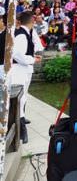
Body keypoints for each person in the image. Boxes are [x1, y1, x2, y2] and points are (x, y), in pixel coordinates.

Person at [10, 11, 40, 144]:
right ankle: (21, 131)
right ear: (32, 21)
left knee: (23, 97)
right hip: (19, 70)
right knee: (20, 99)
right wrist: (32, 59)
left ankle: (20, 126)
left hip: (23, 69)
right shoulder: (21, 35)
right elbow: (17, 54)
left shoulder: (26, 33)